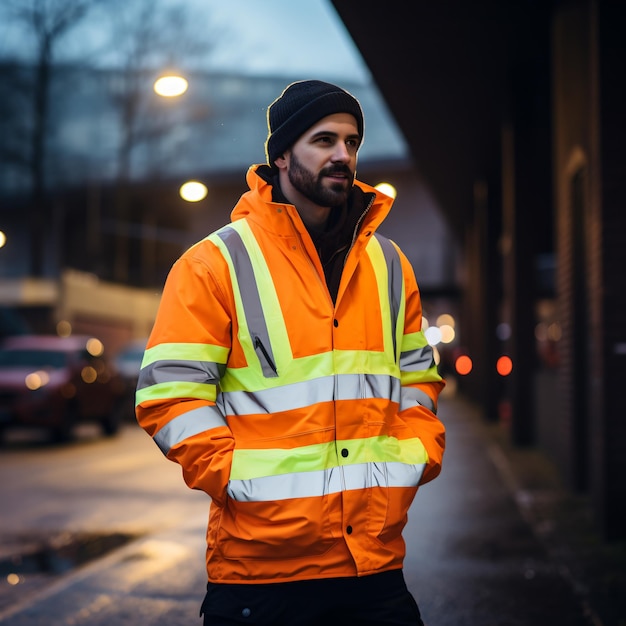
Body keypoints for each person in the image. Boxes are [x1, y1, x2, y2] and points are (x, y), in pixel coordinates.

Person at [136, 79, 446, 626]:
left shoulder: (390, 264)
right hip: (262, 573)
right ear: (281, 155)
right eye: (323, 140)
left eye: (351, 142)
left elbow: (419, 375)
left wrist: (415, 452)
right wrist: (236, 479)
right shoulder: (214, 264)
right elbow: (169, 394)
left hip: (371, 565)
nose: (342, 156)